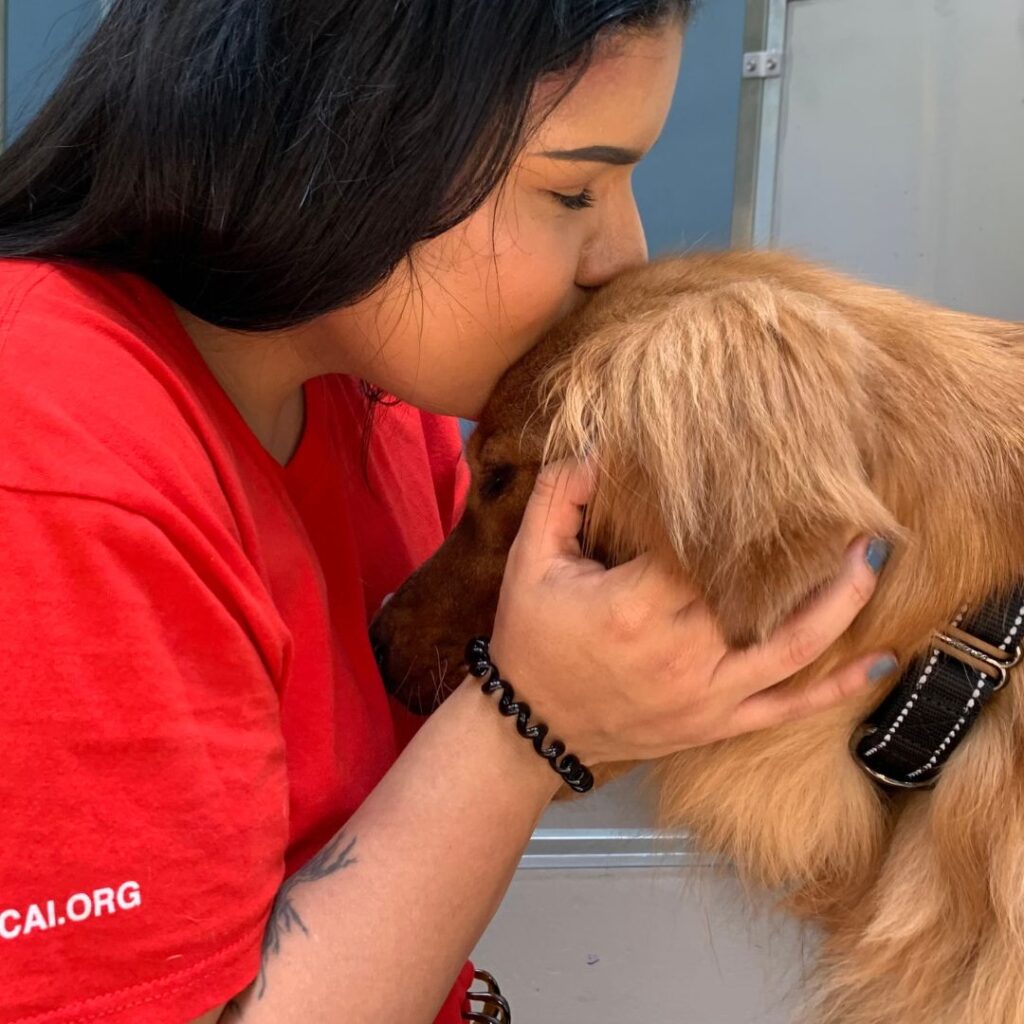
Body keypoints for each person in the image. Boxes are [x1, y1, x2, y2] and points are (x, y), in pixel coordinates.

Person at [0, 2, 897, 1022]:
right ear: (348, 133)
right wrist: (526, 725)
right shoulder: (50, 459)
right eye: (573, 188)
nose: (626, 254)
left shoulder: (379, 398)